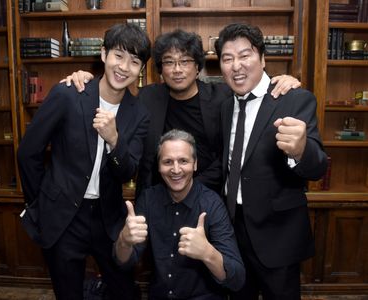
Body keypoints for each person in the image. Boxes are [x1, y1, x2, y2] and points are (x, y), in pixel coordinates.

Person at [63, 29, 301, 195]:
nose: (177, 70)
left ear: (198, 67)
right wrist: (83, 78)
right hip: (156, 197)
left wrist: (284, 80)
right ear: (160, 70)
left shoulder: (223, 97)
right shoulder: (146, 97)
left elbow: (227, 153)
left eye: (185, 61)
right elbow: (112, 92)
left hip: (207, 195)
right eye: (169, 62)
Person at [17, 23, 151, 300]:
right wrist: (40, 203)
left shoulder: (139, 113)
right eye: (118, 55)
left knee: (125, 291)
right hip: (63, 217)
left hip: (108, 218)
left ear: (141, 70)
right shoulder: (69, 93)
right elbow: (28, 152)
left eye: (135, 61)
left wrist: (115, 140)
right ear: (103, 54)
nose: (124, 67)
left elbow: (128, 170)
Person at [215, 23, 328, 299]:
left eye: (245, 55)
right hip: (234, 228)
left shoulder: (295, 99)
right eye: (227, 59)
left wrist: (300, 150)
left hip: (278, 234)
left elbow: (318, 167)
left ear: (263, 59)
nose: (236, 65)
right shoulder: (225, 104)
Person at [114, 129, 246, 299]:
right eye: (168, 162)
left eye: (183, 161)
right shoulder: (148, 199)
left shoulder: (212, 204)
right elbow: (123, 263)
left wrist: (208, 253)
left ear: (195, 164)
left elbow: (237, 280)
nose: (176, 170)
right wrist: (124, 241)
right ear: (159, 166)